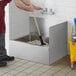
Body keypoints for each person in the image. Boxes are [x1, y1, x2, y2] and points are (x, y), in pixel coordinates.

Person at [0, 0, 14, 67]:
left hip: (1, 27)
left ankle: (3, 56)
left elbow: (6, 0)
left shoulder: (1, 3)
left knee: (2, 43)